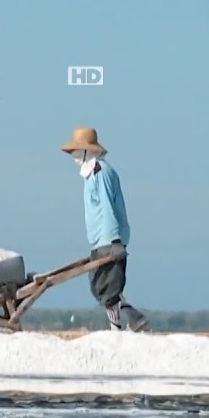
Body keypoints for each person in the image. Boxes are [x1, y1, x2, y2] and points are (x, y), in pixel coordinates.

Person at [60, 128, 147, 332]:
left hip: (109, 238)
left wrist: (115, 241)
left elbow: (107, 207)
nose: (73, 156)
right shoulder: (91, 174)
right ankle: (131, 316)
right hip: (99, 239)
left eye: (76, 151)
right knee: (98, 283)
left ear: (86, 151)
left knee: (108, 286)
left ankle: (117, 326)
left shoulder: (101, 172)